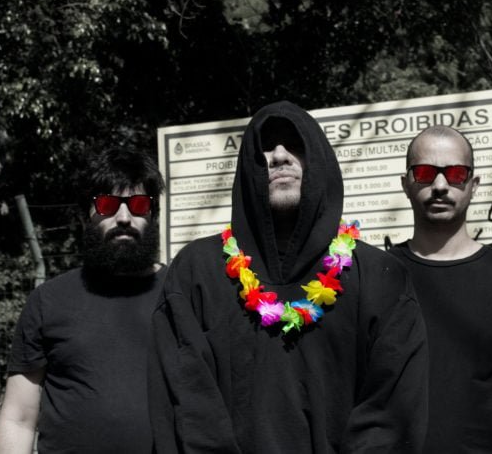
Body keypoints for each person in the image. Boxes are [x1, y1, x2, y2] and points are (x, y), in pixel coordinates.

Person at [149, 101, 429, 453]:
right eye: (266, 146)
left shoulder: (380, 278)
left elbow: (391, 415)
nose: (280, 155)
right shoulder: (196, 273)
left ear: (319, 159)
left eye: (295, 143)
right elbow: (188, 405)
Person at [389, 125, 492, 453]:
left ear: (473, 185)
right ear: (406, 184)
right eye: (424, 173)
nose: (440, 185)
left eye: (455, 174)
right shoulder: (376, 277)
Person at [0, 149, 167, 454]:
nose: (124, 218)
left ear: (153, 214)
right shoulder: (49, 301)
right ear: (84, 215)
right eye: (107, 205)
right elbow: (18, 418)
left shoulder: (179, 295)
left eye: (139, 205)